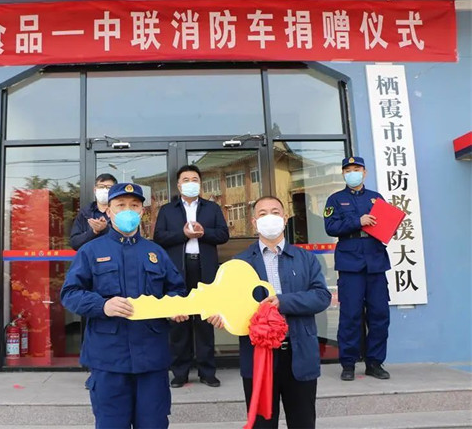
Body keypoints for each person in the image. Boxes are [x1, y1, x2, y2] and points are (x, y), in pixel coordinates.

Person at [61, 182, 187, 429]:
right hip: (108, 359)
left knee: (153, 424)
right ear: (108, 211)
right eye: (120, 205)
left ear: (142, 212)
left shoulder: (156, 253)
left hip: (151, 358)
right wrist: (102, 305)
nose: (128, 210)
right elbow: (70, 293)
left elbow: (177, 290)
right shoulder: (90, 251)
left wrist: (175, 308)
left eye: (134, 205)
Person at [208, 195, 330, 429]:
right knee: (262, 424)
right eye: (262, 214)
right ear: (254, 222)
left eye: (275, 212)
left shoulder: (305, 259)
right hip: (259, 356)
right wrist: (222, 316)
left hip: (299, 353)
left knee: (303, 422)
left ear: (285, 218)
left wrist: (283, 302)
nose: (269, 218)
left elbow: (321, 296)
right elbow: (228, 303)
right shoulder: (240, 263)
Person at [154, 164, 229, 388]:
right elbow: (159, 237)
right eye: (185, 180)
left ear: (200, 183)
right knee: (179, 321)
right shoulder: (167, 210)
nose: (190, 183)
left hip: (204, 268)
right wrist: (183, 234)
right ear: (179, 185)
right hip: (178, 269)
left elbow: (223, 234)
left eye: (194, 179)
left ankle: (207, 371)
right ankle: (180, 372)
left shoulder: (212, 208)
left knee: (205, 320)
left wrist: (204, 233)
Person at [323, 156, 392, 381]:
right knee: (350, 315)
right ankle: (349, 363)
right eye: (348, 170)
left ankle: (375, 363)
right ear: (343, 174)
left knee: (379, 315)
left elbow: (386, 224)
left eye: (357, 169)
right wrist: (357, 221)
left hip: (375, 262)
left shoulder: (376, 198)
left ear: (365, 172)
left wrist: (391, 225)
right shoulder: (335, 199)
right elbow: (330, 227)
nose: (353, 173)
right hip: (350, 264)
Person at [69, 173, 117, 250]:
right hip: (90, 256)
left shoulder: (120, 213)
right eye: (101, 187)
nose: (105, 190)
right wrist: (94, 232)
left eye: (109, 187)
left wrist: (105, 229)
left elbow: (125, 238)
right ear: (95, 190)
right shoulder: (85, 213)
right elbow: (75, 243)